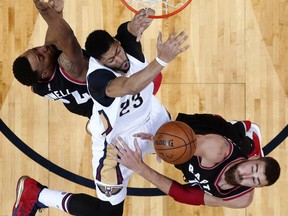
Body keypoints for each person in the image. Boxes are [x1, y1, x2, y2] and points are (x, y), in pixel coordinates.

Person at [12, 7, 190, 216]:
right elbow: (66, 38)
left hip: (141, 113)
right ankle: (38, 194)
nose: (43, 50)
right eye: (40, 57)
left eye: (35, 50)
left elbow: (53, 42)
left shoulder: (39, 84)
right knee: (109, 213)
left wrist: (55, 14)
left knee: (185, 146)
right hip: (116, 138)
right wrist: (44, 9)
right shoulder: (79, 70)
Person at [110, 113, 281, 208]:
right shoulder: (216, 149)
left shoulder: (240, 199)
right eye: (252, 169)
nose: (246, 177)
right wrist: (162, 141)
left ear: (257, 188)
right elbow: (180, 142)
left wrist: (140, 167)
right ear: (254, 159)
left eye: (255, 181)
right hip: (203, 129)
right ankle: (250, 139)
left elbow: (184, 195)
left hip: (193, 162)